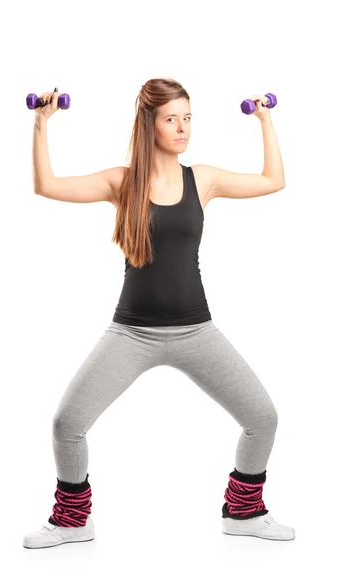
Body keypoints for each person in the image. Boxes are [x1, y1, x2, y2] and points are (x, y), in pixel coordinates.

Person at [23, 78, 295, 549]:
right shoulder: (121, 181)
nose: (182, 127)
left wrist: (266, 121)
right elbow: (46, 186)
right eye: (172, 118)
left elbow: (274, 181)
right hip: (131, 334)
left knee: (262, 417)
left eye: (188, 117)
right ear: (149, 123)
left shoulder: (202, 179)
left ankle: (245, 512)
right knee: (67, 425)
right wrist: (40, 124)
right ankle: (72, 520)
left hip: (197, 330)